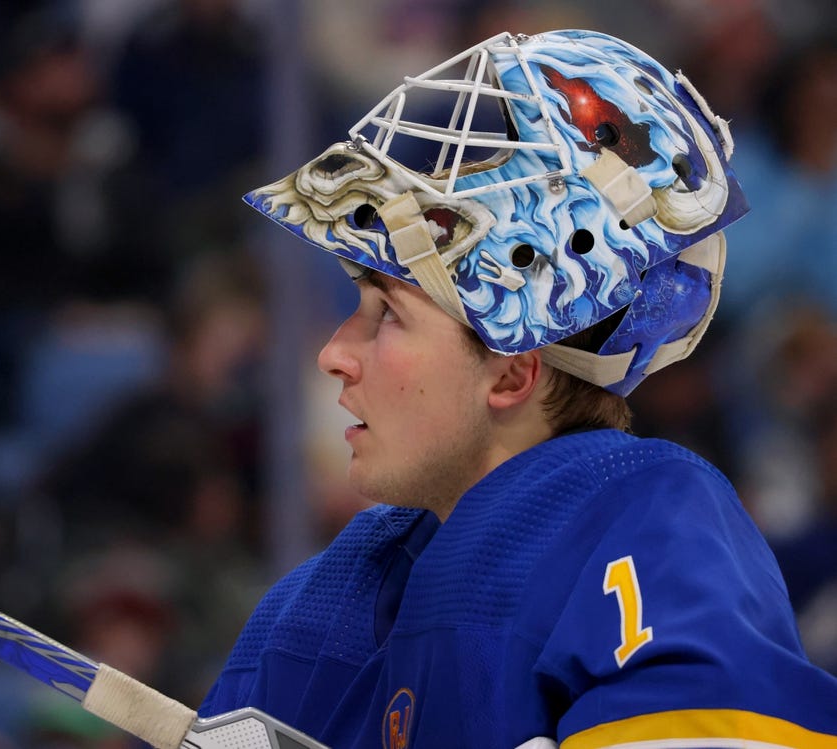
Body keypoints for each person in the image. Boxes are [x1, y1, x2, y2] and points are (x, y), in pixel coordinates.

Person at [198, 29, 837, 748]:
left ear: (511, 371)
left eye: (388, 315)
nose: (335, 354)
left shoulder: (652, 529)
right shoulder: (324, 596)